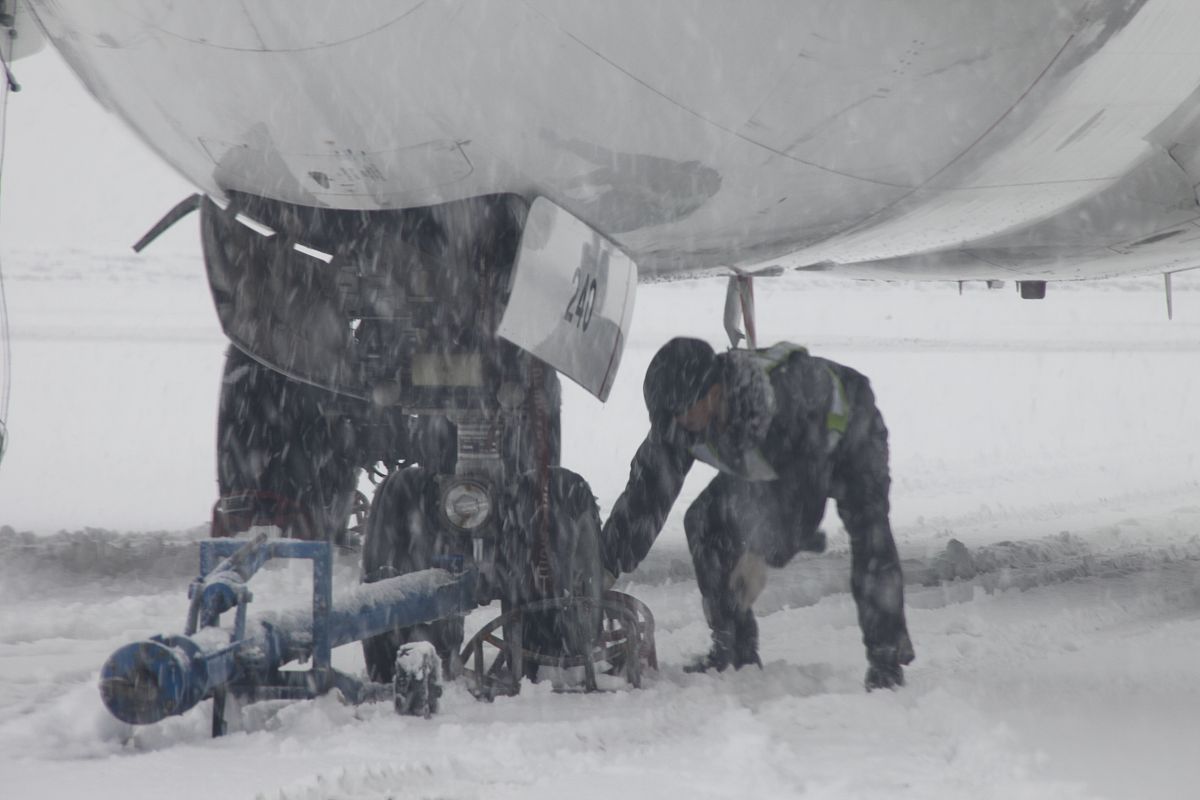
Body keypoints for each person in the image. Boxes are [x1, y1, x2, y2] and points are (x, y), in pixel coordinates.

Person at [600, 337, 914, 689]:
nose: (678, 424)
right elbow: (647, 493)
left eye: (682, 413)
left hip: (850, 429)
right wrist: (606, 563)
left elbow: (803, 497)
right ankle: (733, 650)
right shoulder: (681, 419)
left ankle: (887, 661)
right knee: (705, 522)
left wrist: (760, 556)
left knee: (870, 533)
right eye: (669, 417)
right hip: (773, 462)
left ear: (713, 392)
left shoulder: (783, 401)